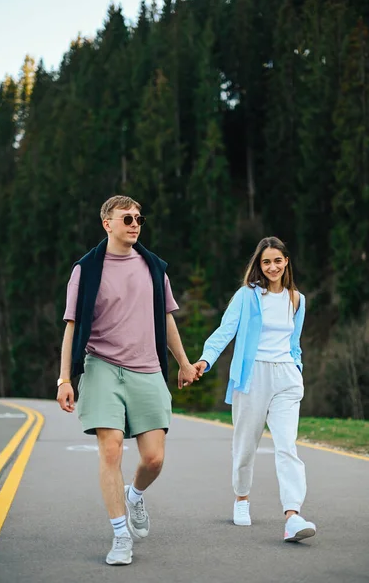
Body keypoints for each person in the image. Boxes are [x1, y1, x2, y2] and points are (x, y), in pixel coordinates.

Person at [57, 195, 198, 566]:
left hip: (148, 368)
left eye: (139, 218)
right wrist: (64, 378)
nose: (135, 223)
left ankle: (134, 496)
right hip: (102, 365)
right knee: (112, 449)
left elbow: (167, 320)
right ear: (108, 223)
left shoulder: (153, 267)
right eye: (127, 218)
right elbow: (71, 327)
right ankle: (120, 536)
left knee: (153, 458)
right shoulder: (86, 270)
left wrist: (183, 363)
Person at [184, 237, 316, 542]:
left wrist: (297, 369)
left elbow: (294, 342)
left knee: (287, 446)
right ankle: (241, 498)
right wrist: (205, 359)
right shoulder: (246, 296)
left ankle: (293, 516)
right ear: (259, 265)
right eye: (266, 261)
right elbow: (224, 330)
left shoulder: (298, 299)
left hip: (286, 378)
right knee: (245, 446)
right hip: (252, 376)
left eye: (278, 261)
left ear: (286, 263)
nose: (272, 267)